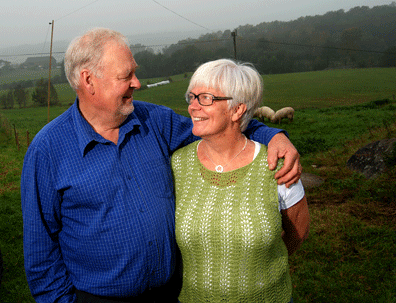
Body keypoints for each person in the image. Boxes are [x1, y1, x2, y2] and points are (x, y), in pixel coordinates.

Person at [21, 28, 301, 303]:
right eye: (126, 75)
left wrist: (274, 135)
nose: (137, 83)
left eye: (135, 72)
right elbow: (40, 253)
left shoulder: (154, 121)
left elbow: (221, 125)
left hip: (171, 293)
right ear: (88, 80)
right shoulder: (48, 150)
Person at [171, 59, 310, 303]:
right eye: (191, 96)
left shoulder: (277, 166)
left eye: (205, 98)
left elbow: (298, 231)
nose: (192, 107)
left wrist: (262, 269)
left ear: (237, 110)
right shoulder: (177, 164)